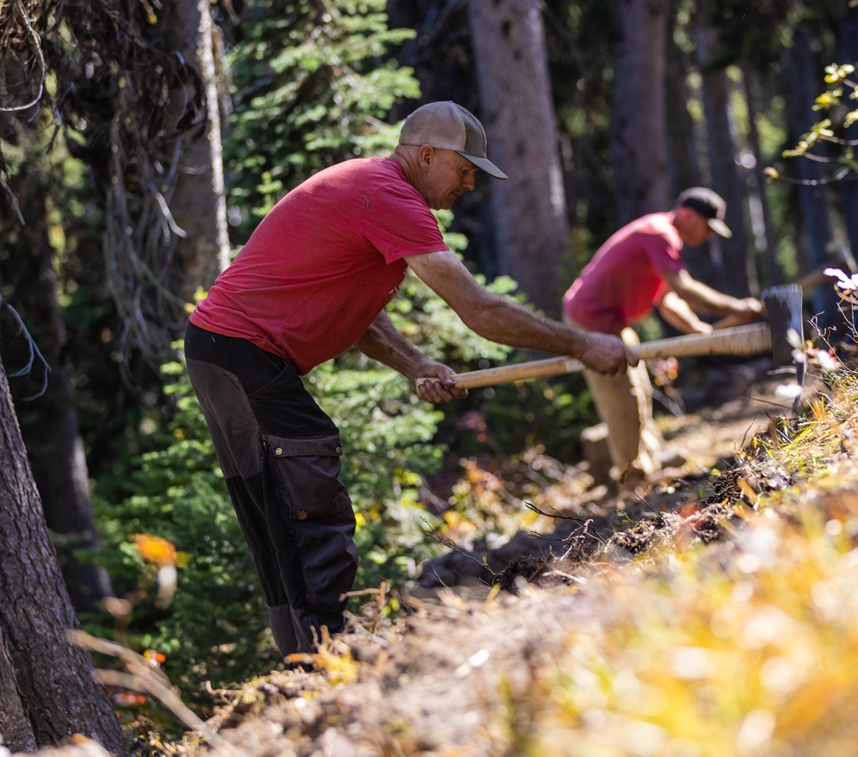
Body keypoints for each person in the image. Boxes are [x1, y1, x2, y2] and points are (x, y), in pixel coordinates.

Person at [184, 101, 635, 657]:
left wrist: (416, 364)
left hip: (230, 352)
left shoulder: (373, 190)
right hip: (240, 350)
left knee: (282, 497)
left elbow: (358, 311)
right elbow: (480, 312)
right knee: (301, 486)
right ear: (426, 156)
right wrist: (584, 344)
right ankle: (322, 647)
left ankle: (312, 646)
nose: (469, 183)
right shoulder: (391, 194)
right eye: (464, 169)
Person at [562, 188, 763, 481]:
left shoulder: (662, 235)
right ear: (688, 215)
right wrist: (738, 307)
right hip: (591, 323)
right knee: (622, 399)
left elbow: (668, 299)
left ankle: (651, 458)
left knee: (640, 390)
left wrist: (698, 329)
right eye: (707, 227)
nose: (708, 236)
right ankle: (634, 475)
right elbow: (684, 288)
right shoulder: (660, 234)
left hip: (613, 323)